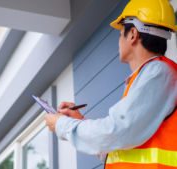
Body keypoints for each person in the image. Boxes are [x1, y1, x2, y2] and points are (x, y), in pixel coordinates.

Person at [44, 0, 177, 168]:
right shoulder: (152, 76)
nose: (119, 39)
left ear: (133, 34)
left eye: (121, 33)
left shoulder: (159, 73)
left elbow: (117, 131)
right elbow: (118, 143)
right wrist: (81, 122)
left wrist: (62, 125)